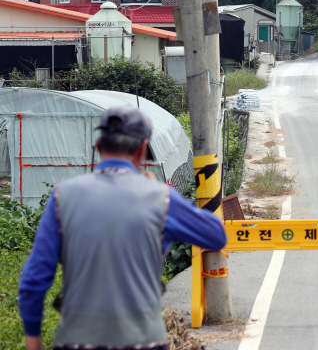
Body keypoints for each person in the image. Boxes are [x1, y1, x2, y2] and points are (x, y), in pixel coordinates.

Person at [19, 105, 227, 350]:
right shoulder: (161, 199)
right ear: (142, 149)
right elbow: (216, 235)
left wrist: (33, 339)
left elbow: (34, 279)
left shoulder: (61, 197)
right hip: (143, 340)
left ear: (98, 147)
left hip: (75, 340)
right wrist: (165, 192)